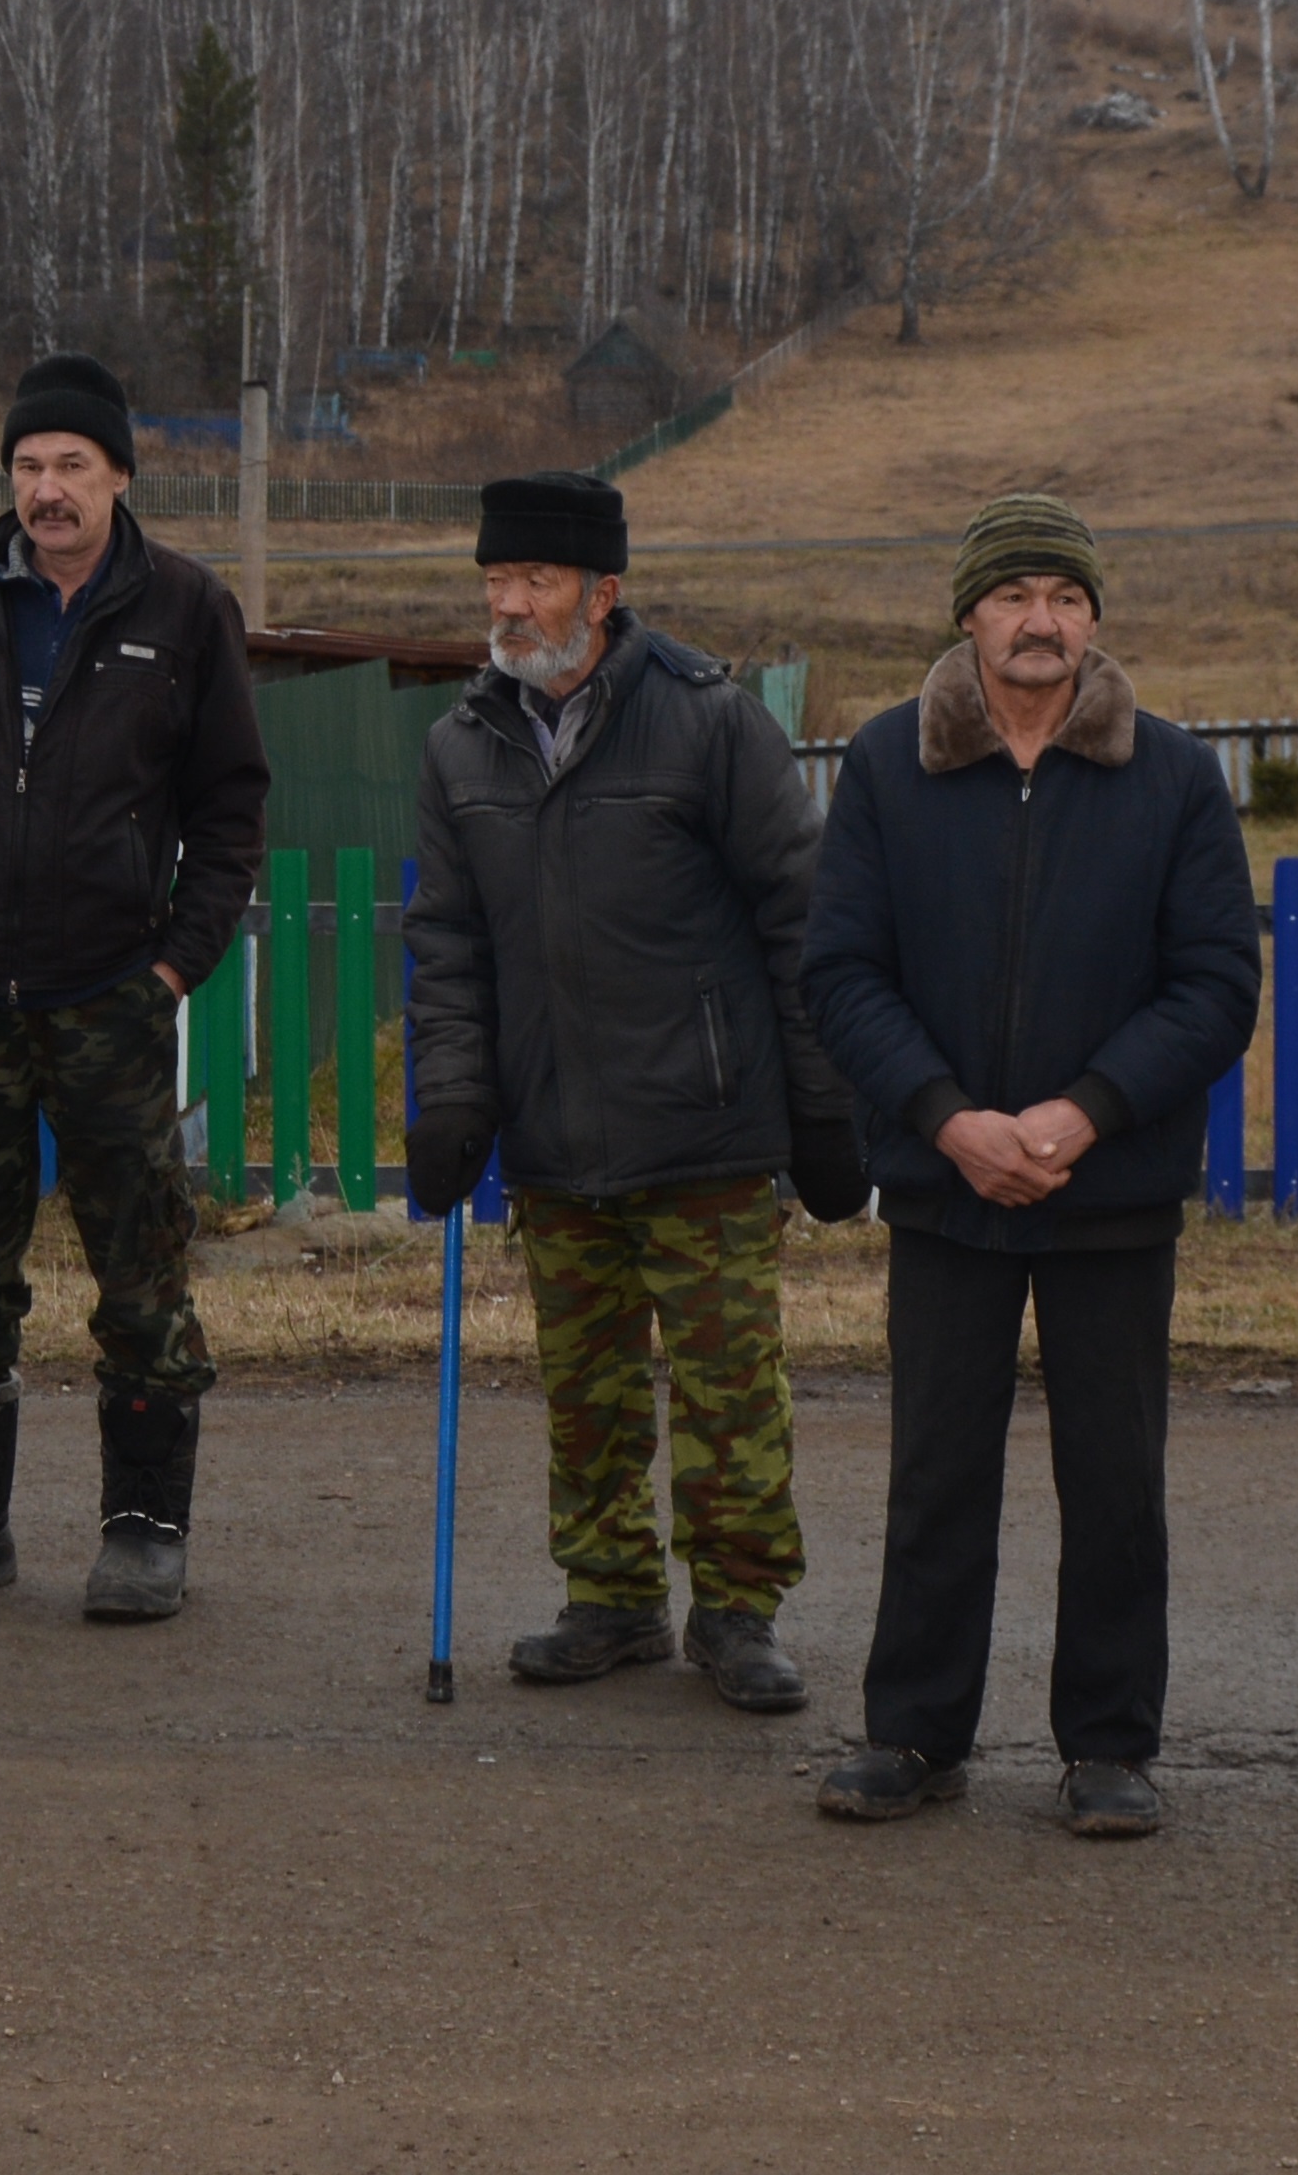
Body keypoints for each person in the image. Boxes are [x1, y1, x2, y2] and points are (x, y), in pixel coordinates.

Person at [803, 496, 1258, 1839]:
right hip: (946, 1189)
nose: (1041, 619)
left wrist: (1081, 1114)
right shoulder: (889, 766)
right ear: (968, 613)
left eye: (1064, 594)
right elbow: (840, 971)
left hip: (1105, 1192)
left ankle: (1110, 1744)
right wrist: (949, 1120)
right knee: (936, 1469)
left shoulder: (1169, 776)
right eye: (1015, 595)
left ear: (1095, 617)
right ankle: (914, 1732)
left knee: (1113, 1477)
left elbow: (1216, 982)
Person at [400, 473, 864, 1713]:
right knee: (587, 1391)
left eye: (535, 581)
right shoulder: (462, 742)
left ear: (604, 593)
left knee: (729, 1394)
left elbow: (800, 917)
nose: (508, 605)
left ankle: (738, 1606)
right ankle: (608, 1596)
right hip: (554, 1130)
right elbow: (447, 944)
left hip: (703, 1124)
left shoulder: (709, 722)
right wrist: (453, 1099)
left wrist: (825, 1107)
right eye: (494, 580)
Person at [0, 352, 270, 1622]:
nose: (48, 491)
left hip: (106, 996)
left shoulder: (187, 611)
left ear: (121, 475)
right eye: (29, 467)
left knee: (139, 1265)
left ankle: (145, 1526)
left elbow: (230, 808)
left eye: (72, 467)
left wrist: (173, 962)